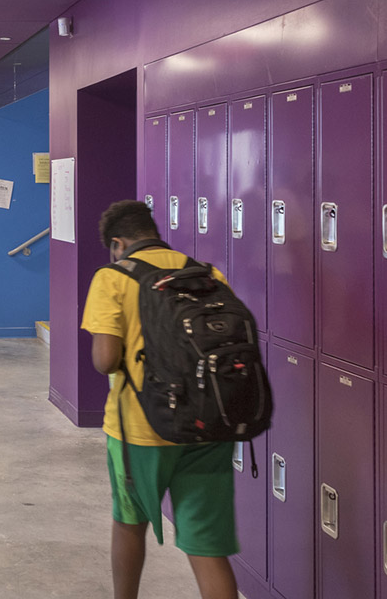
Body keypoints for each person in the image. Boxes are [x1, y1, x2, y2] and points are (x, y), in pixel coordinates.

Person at [81, 200, 238, 599]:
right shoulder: (206, 273)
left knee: (129, 524)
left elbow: (105, 360)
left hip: (141, 428)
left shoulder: (112, 277)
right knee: (207, 546)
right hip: (208, 425)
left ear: (117, 244)